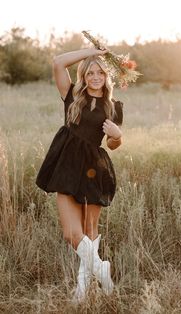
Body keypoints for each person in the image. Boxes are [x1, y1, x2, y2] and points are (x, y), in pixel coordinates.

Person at [35, 47, 124, 302]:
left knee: (90, 232)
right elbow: (58, 62)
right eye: (90, 73)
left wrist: (118, 135)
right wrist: (93, 51)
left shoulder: (113, 107)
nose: (95, 77)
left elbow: (113, 145)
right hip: (66, 166)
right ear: (84, 76)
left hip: (95, 169)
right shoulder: (72, 95)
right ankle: (101, 269)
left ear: (107, 77)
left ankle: (81, 292)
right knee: (72, 234)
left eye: (100, 72)